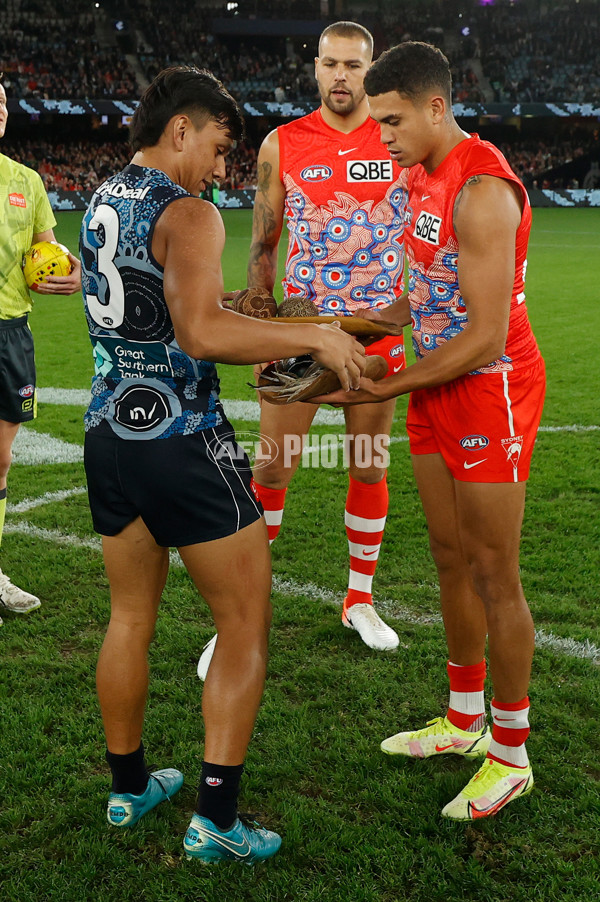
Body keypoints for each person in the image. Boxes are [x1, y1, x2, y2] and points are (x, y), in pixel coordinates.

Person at [79, 66, 364, 864]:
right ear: (182, 129)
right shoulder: (189, 211)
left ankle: (128, 788)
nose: (220, 167)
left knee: (129, 619)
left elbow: (160, 313)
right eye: (217, 146)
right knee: (244, 624)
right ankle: (216, 821)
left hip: (110, 435)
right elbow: (200, 333)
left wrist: (248, 312)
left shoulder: (101, 197)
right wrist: (314, 337)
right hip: (183, 441)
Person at [315, 41, 546, 820]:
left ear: (435, 107)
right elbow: (426, 295)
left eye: (391, 121)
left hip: (488, 389)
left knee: (493, 571)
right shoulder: (419, 175)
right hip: (438, 384)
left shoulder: (482, 189)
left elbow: (484, 336)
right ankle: (462, 719)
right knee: (449, 558)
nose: (380, 136)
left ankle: (510, 755)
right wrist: (342, 328)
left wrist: (384, 382)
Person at [249, 22, 407, 652]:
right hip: (299, 337)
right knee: (272, 468)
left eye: (354, 65)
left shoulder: (396, 136)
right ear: (315, 67)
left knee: (368, 465)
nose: (341, 76)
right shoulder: (282, 143)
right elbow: (263, 247)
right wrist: (261, 328)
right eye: (331, 63)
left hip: (375, 339)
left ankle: (359, 600)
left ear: (371, 69)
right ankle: (246, 613)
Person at [0, 79, 81, 627]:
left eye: (3, 102)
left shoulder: (25, 181)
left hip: (11, 333)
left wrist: (69, 269)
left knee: (0, 460)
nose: (0, 110)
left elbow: (47, 251)